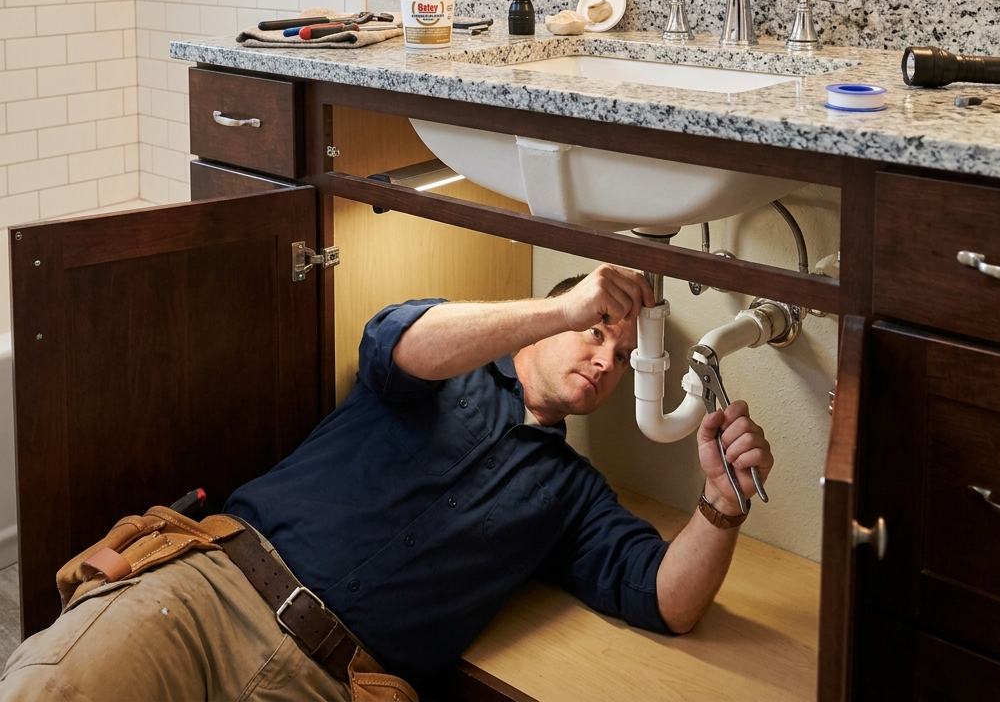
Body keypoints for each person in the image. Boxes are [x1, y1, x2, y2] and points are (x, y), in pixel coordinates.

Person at [0, 265, 773, 701]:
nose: (605, 360)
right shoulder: (444, 370)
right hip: (207, 598)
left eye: (623, 354)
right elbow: (398, 337)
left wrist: (721, 503)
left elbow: (665, 599)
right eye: (595, 331)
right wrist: (563, 308)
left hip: (327, 687)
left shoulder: (571, 494)